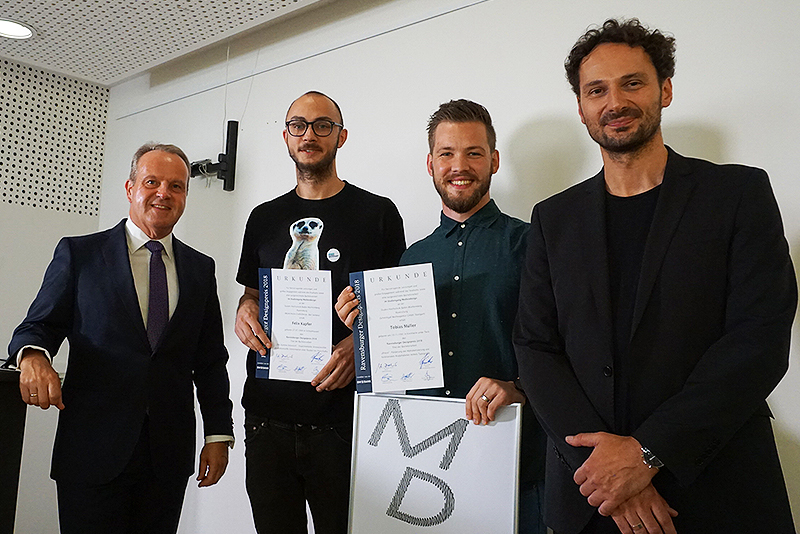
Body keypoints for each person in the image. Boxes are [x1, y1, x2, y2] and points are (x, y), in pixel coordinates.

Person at [513, 18, 797, 534]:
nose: (614, 102)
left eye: (632, 83)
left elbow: (760, 338)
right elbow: (535, 347)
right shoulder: (552, 219)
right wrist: (605, 473)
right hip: (592, 500)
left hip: (717, 485)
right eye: (596, 90)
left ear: (665, 90)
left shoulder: (737, 194)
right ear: (581, 109)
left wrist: (647, 454)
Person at [336, 99, 546, 534]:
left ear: (494, 160)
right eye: (447, 154)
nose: (459, 165)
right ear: (430, 164)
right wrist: (366, 332)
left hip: (510, 459)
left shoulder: (530, 245)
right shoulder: (411, 260)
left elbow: (560, 346)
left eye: (474, 152)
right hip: (422, 465)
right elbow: (393, 375)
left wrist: (518, 386)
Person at [7, 144, 234, 534]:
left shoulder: (200, 268)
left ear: (184, 197)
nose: (164, 193)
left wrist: (218, 433)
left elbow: (210, 359)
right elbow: (37, 326)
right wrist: (32, 356)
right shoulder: (80, 254)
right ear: (130, 189)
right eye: (152, 182)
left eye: (176, 186)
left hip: (167, 456)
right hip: (92, 452)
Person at [234, 91, 405, 533]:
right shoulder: (262, 217)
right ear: (286, 137)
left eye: (323, 125)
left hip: (344, 421)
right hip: (267, 418)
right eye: (298, 125)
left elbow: (396, 311)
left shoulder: (379, 214)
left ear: (341, 136)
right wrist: (244, 308)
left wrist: (357, 347)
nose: (309, 134)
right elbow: (251, 294)